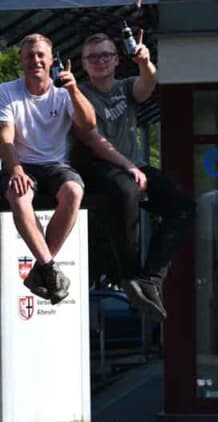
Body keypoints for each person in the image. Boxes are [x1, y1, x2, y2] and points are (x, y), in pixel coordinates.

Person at [69, 31, 194, 319]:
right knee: (127, 191)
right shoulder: (78, 94)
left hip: (131, 165)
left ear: (116, 60)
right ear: (83, 64)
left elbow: (146, 85)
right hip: (98, 165)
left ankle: (150, 278)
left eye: (106, 55)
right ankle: (130, 273)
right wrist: (128, 166)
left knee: (183, 205)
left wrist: (145, 63)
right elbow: (92, 140)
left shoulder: (125, 87)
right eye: (92, 57)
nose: (100, 61)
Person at [0, 33, 97, 303]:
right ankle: (49, 268)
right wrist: (16, 170)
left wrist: (74, 90)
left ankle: (42, 269)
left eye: (41, 55)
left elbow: (88, 124)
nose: (35, 60)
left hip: (56, 165)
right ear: (21, 61)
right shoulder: (6, 91)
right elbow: (4, 138)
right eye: (29, 55)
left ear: (52, 60)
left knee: (74, 192)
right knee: (19, 195)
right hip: (21, 163)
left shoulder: (64, 92)